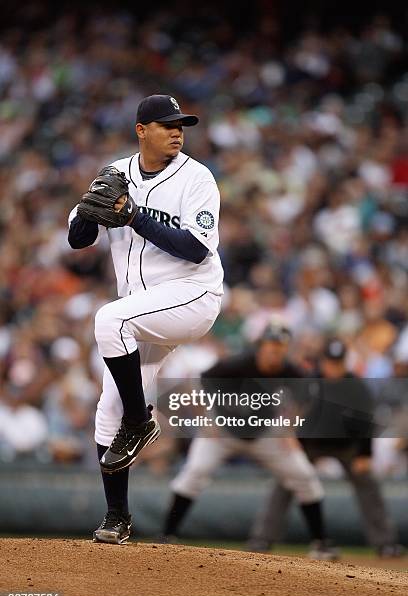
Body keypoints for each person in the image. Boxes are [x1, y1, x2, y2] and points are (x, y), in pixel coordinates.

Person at [68, 94, 224, 544]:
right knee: (107, 410)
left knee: (108, 320)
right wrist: (90, 213)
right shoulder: (115, 173)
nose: (177, 131)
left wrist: (132, 217)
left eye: (182, 125)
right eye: (166, 124)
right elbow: (78, 239)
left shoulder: (197, 178)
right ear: (141, 130)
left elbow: (196, 247)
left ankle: (140, 421)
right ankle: (117, 517)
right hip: (143, 312)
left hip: (192, 296)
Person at [161, 323, 338, 560]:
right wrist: (206, 419)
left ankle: (321, 543)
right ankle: (166, 536)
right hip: (223, 431)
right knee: (194, 472)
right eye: (271, 345)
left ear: (286, 349)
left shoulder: (290, 370)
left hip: (265, 433)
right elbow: (199, 382)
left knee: (304, 475)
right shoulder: (237, 364)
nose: (275, 351)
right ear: (260, 347)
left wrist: (289, 429)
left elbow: (305, 399)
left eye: (280, 346)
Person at [249, 338, 405, 558]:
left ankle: (385, 543)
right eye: (330, 363)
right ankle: (262, 539)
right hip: (309, 444)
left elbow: (366, 422)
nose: (334, 368)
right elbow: (291, 412)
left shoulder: (356, 386)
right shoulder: (310, 382)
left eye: (338, 363)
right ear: (322, 362)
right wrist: (290, 437)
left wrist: (364, 454)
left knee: (368, 483)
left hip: (346, 446)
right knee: (285, 481)